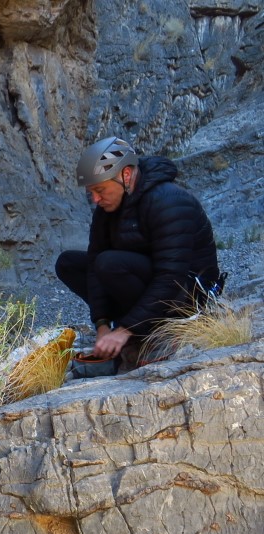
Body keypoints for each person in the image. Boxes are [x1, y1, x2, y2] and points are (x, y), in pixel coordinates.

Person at [54, 136, 223, 369]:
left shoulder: (169, 201)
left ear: (125, 175)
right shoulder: (108, 208)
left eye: (100, 189)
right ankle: (134, 329)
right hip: (147, 286)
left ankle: (151, 332)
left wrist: (125, 330)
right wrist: (102, 325)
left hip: (185, 296)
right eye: (91, 192)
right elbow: (93, 264)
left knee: (110, 263)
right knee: (68, 263)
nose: (95, 199)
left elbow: (170, 277)